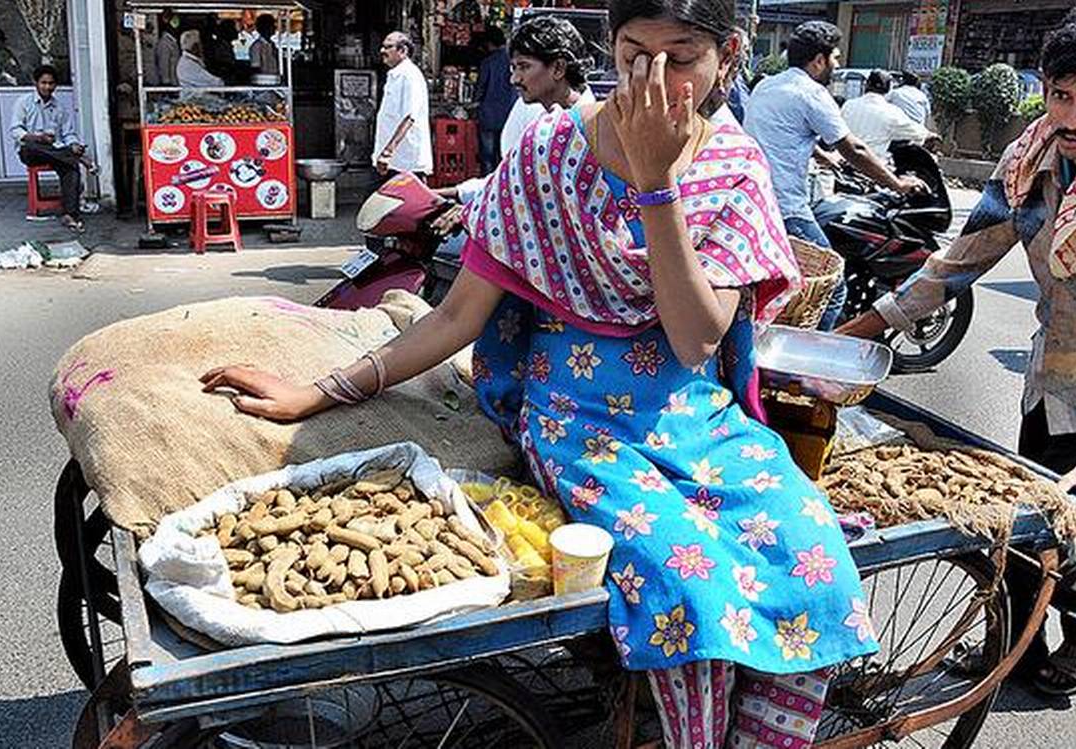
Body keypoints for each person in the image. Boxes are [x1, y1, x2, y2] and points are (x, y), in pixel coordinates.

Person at [201, 1, 878, 746]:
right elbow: (456, 317)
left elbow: (692, 341)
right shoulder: (548, 153)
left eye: (680, 58)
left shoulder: (735, 164)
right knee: (689, 585)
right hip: (578, 421)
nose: (652, 80)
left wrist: (656, 188)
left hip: (695, 415)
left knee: (817, 562)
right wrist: (320, 390)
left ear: (730, 55)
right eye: (631, 54)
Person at [839, 1, 1076, 698]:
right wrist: (842, 340)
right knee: (1032, 523)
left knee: (1029, 526)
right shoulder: (1030, 160)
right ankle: (1022, 652)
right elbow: (956, 263)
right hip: (1050, 374)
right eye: (1062, 95)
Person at [743, 21, 926, 331]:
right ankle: (813, 368)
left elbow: (780, 133)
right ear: (818, 61)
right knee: (831, 288)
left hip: (751, 202)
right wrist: (897, 183)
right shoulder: (811, 93)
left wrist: (824, 158)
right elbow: (854, 148)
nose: (837, 64)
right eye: (835, 58)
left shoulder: (767, 86)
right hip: (785, 208)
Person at [444, 14, 597, 208]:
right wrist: (455, 194)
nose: (514, 79)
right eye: (514, 68)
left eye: (524, 67)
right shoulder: (530, 110)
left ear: (558, 68)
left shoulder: (590, 128)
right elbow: (510, 182)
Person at [10, 65, 92, 232]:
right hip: (32, 151)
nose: (47, 87)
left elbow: (68, 134)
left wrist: (73, 145)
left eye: (51, 83)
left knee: (71, 166)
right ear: (36, 83)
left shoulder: (59, 107)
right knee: (35, 146)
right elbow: (16, 131)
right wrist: (37, 137)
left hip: (56, 152)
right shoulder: (23, 103)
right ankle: (77, 158)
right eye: (43, 83)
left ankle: (70, 214)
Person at [840, 69, 936, 161]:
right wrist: (930, 134)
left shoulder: (848, 105)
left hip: (844, 159)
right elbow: (921, 127)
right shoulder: (892, 111)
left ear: (866, 84)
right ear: (889, 88)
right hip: (872, 164)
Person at [373, 31, 432, 178]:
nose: (382, 51)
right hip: (392, 162)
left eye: (388, 47)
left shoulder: (410, 76)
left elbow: (409, 117)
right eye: (383, 47)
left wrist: (388, 151)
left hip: (406, 162)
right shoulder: (396, 74)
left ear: (403, 51)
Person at [473, 26, 517, 174]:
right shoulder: (514, 62)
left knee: (487, 157)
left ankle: (488, 187)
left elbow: (480, 88)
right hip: (510, 114)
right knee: (505, 155)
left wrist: (475, 101)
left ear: (489, 43)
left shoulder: (488, 62)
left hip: (489, 116)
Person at [154, 10, 180, 86]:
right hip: (171, 84)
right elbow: (163, 64)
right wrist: (167, 84)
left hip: (175, 83)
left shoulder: (174, 42)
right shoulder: (164, 43)